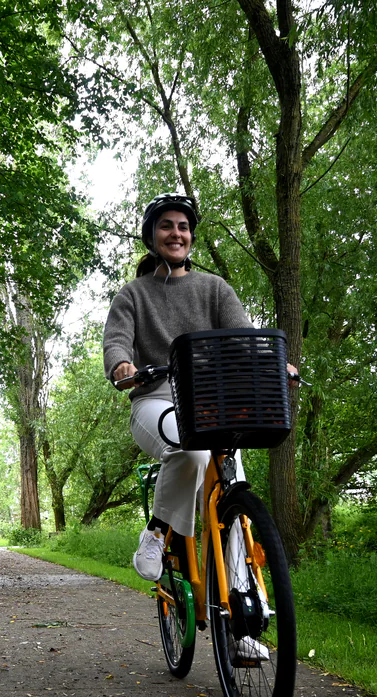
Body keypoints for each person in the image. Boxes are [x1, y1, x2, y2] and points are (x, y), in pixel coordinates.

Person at [102, 192, 270, 659]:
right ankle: (157, 534)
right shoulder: (132, 295)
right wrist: (122, 367)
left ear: (190, 235)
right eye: (166, 226)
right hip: (155, 397)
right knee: (190, 449)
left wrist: (277, 364)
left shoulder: (215, 289)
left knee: (231, 503)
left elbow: (243, 340)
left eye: (183, 226)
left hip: (212, 401)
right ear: (152, 236)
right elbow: (116, 343)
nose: (176, 233)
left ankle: (244, 625)